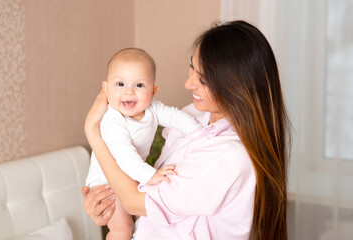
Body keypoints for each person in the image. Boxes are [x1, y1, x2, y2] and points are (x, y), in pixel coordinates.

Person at [82, 20, 291, 240]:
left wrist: (93, 133)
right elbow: (154, 206)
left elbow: (136, 202)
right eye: (192, 67)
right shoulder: (194, 115)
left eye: (203, 79)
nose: (188, 84)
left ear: (236, 87)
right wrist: (107, 203)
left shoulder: (229, 156)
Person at [86, 48, 203, 240]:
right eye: (120, 84)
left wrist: (199, 133)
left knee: (141, 221)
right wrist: (151, 176)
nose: (129, 91)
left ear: (153, 91)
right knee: (122, 229)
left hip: (131, 175)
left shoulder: (153, 108)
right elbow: (125, 158)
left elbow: (176, 117)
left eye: (139, 85)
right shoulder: (112, 120)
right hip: (106, 182)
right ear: (106, 90)